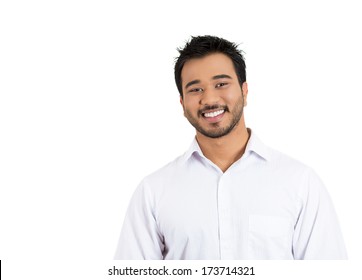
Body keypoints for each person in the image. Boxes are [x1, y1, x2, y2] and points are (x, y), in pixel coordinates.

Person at [114, 35, 347, 260]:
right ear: (182, 103)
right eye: (196, 89)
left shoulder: (300, 182)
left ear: (244, 92)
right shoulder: (153, 191)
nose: (209, 99)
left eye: (221, 84)